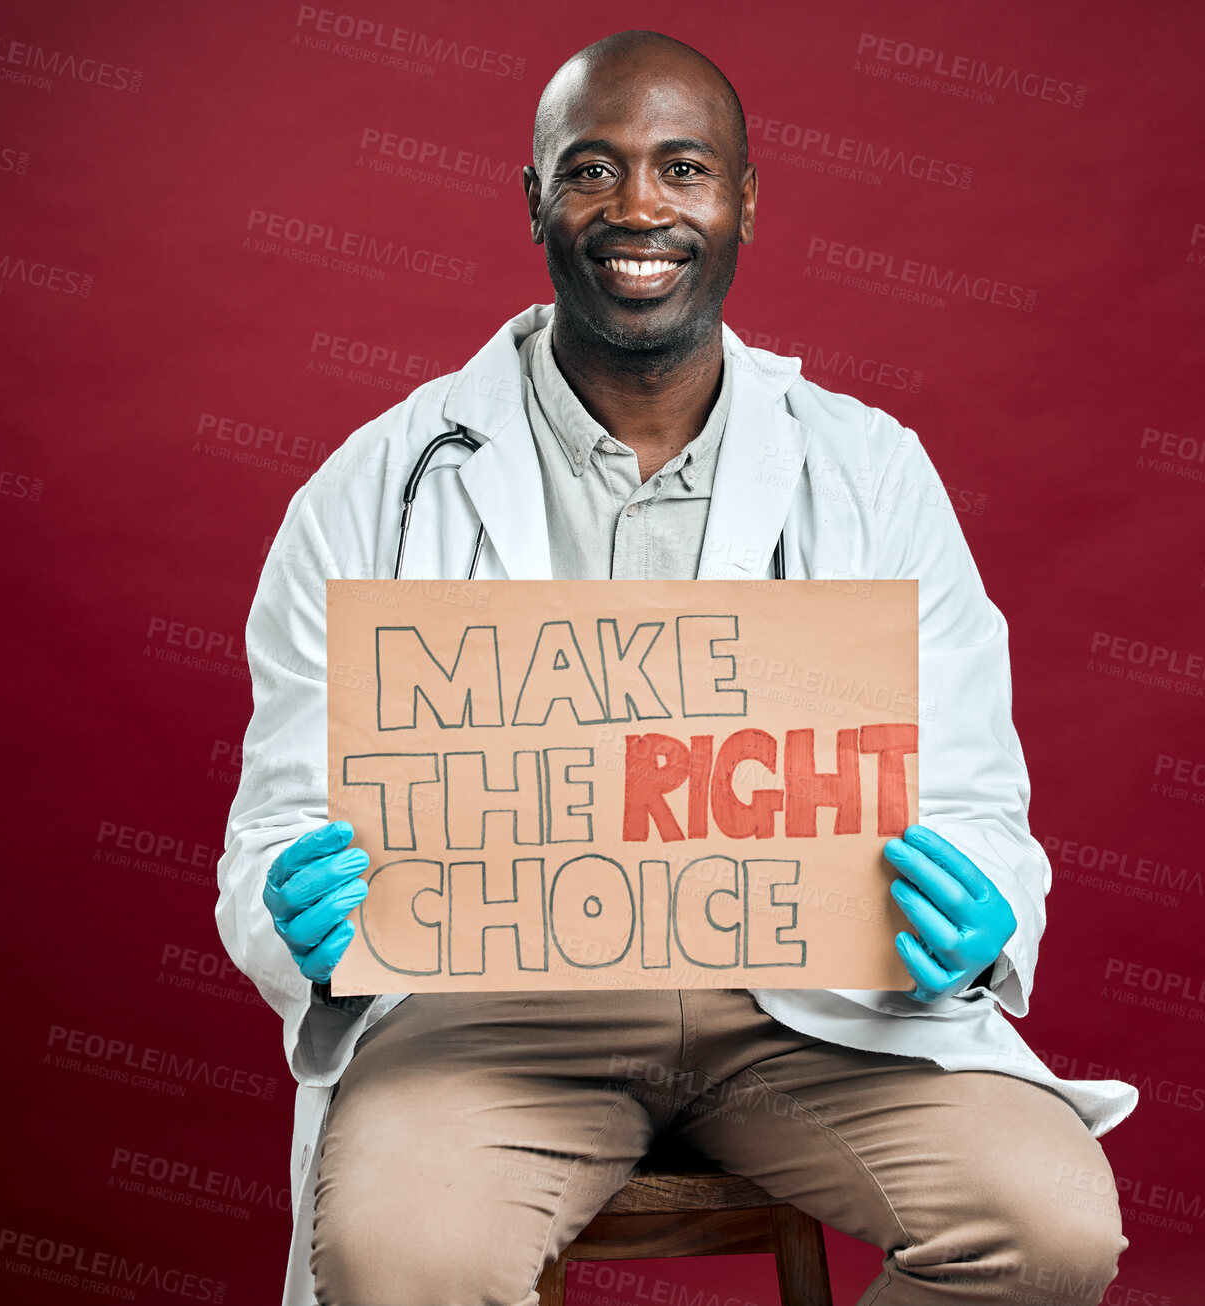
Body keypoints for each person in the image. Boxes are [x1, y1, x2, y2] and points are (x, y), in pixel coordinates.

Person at [217, 29, 1138, 1306]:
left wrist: (979, 914)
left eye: (683, 167)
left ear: (744, 199)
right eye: (590, 170)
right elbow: (273, 828)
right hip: (497, 1014)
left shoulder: (869, 471)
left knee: (1044, 1230)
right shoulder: (371, 489)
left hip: (804, 1006)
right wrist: (294, 912)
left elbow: (977, 793)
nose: (637, 207)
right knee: (402, 1263)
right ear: (533, 197)